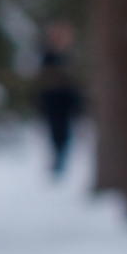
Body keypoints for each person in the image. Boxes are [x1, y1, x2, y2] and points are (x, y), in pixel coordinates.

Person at [36, 21, 84, 177]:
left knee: (64, 130)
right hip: (52, 99)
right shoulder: (47, 55)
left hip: (66, 99)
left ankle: (61, 158)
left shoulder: (69, 56)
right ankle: (57, 159)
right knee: (54, 130)